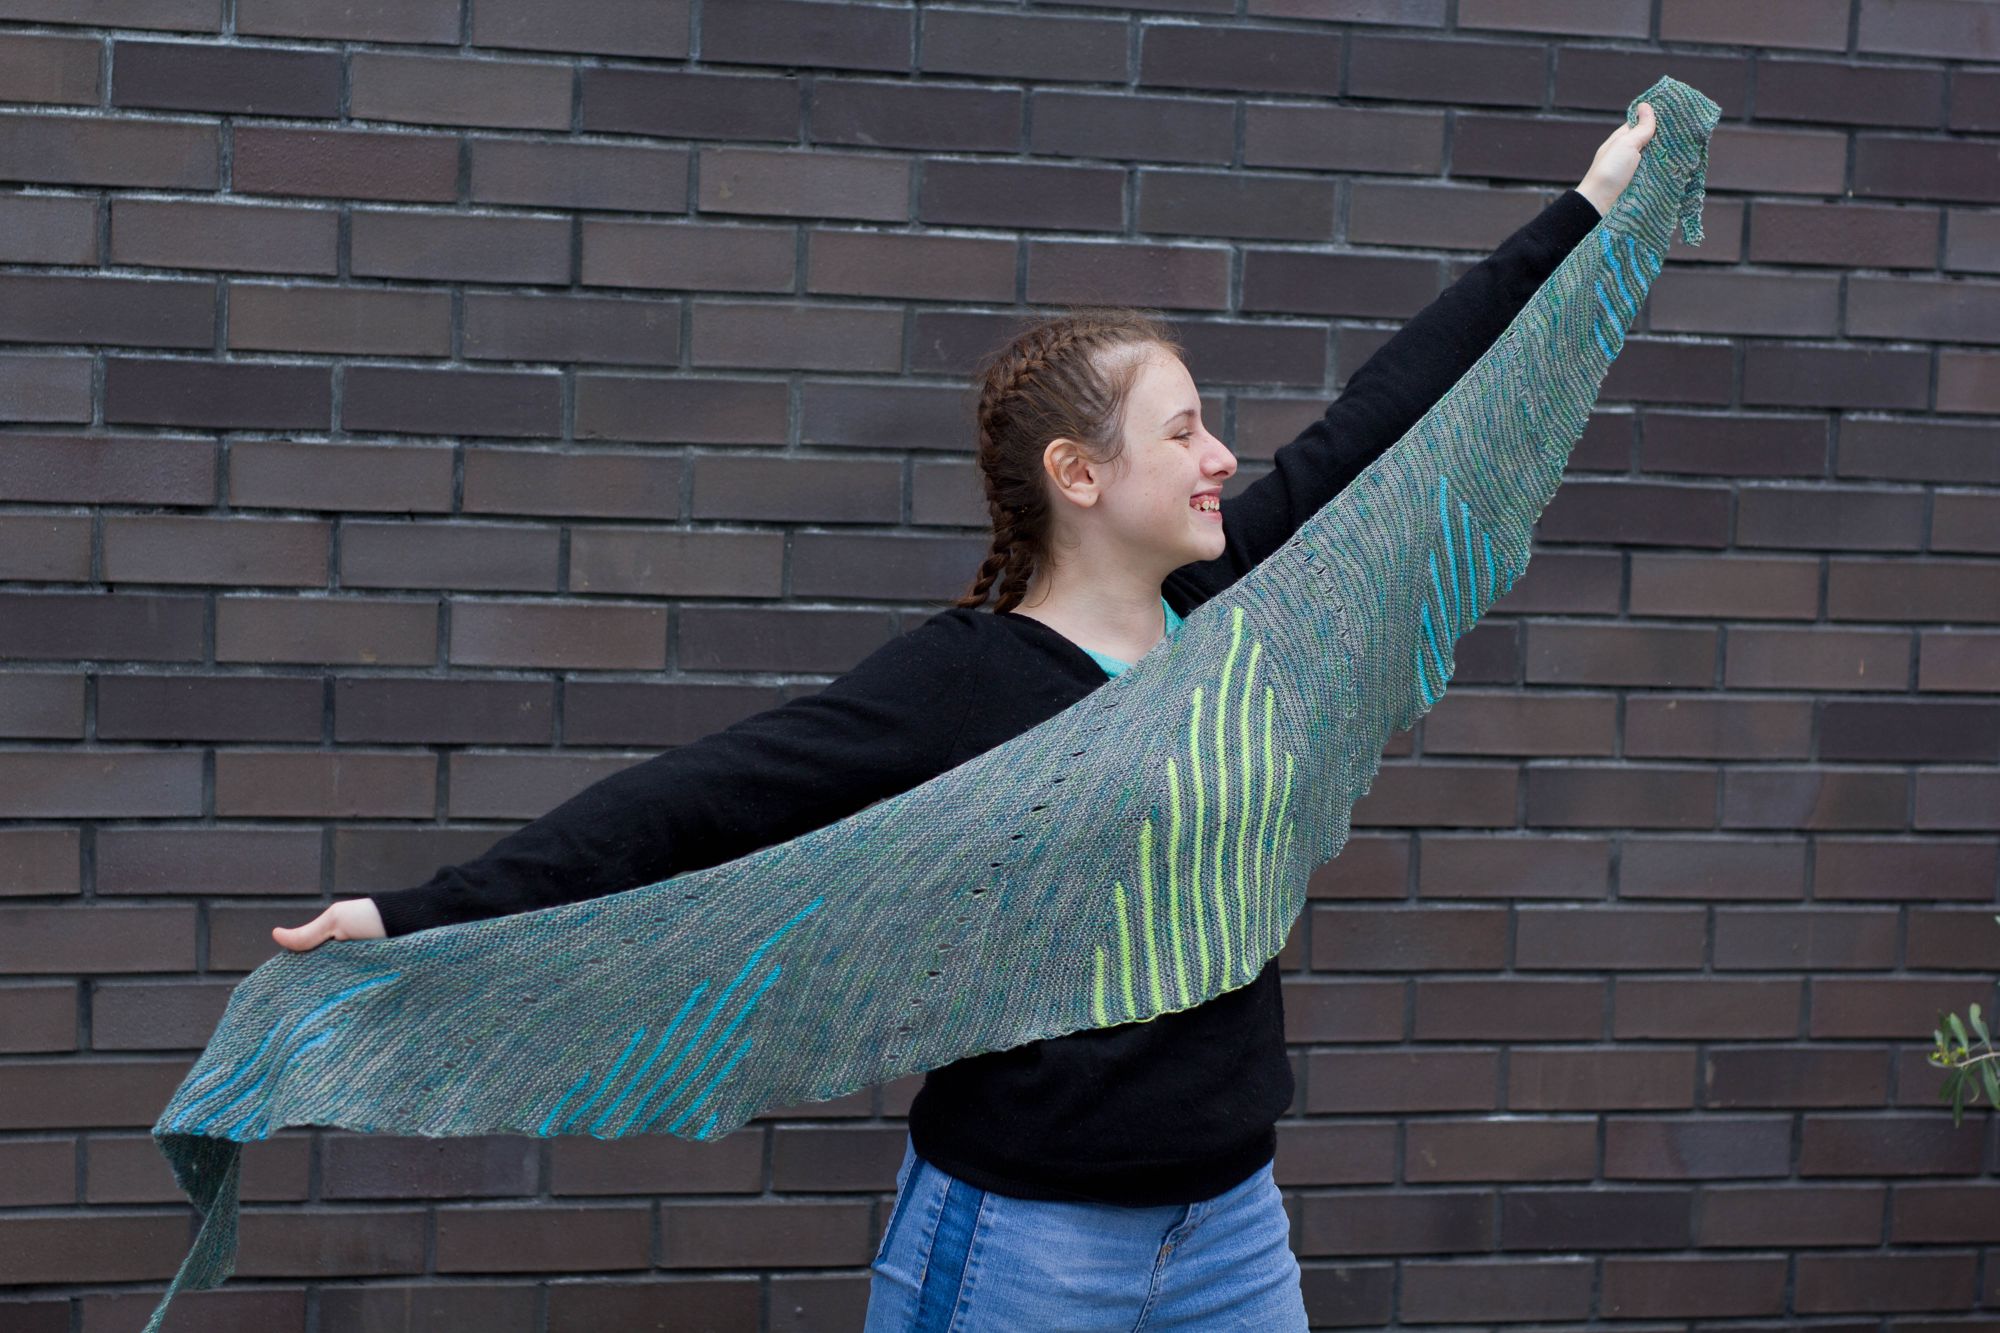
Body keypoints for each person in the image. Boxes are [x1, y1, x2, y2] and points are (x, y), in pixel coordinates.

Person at [275, 105, 1657, 1331]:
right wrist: (418, 911)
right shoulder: (967, 681)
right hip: (1023, 1245)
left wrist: (1585, 210)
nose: (1221, 454)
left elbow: (1396, 402)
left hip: (1234, 1231)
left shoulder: (1232, 598)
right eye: (1182, 431)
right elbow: (703, 797)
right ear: (1077, 472)